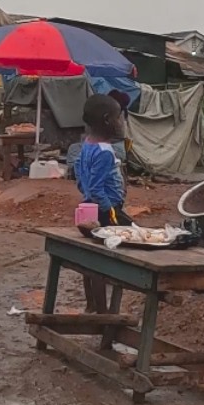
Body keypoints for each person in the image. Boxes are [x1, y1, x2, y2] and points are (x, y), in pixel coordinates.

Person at [74, 94, 129, 313]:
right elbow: (98, 188)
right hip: (105, 212)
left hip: (89, 207)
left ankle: (91, 306)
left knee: (90, 257)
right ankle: (104, 311)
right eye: (119, 118)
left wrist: (86, 194)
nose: (121, 122)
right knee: (102, 260)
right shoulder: (106, 152)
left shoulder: (86, 146)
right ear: (108, 120)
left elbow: (79, 173)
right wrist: (111, 210)